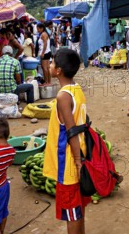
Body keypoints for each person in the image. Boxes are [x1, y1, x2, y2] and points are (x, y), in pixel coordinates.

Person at [42, 48, 89, 233]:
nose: (50, 65)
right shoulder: (76, 89)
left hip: (68, 162)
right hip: (79, 156)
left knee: (71, 213)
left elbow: (71, 131)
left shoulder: (62, 96)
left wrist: (77, 162)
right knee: (79, 209)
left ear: (59, 70)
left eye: (52, 63)